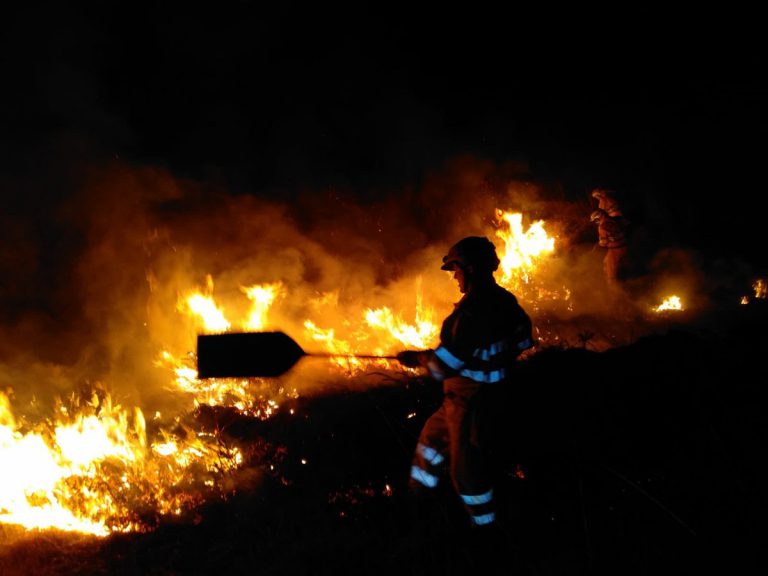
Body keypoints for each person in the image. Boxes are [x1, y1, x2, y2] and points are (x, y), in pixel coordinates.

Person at [396, 236, 533, 532]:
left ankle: (486, 530)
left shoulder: (468, 314)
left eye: (455, 270)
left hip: (474, 404)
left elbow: (443, 367)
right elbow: (524, 340)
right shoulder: (505, 302)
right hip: (464, 401)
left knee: (468, 474)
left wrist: (418, 359)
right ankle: (418, 505)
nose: (454, 277)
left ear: (468, 269)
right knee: (430, 444)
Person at [590, 208, 629, 288]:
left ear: (599, 217)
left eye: (596, 220)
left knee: (609, 268)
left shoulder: (602, 226)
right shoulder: (614, 220)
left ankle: (613, 289)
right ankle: (626, 277)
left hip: (616, 249)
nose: (596, 223)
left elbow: (604, 243)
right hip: (625, 245)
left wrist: (598, 245)